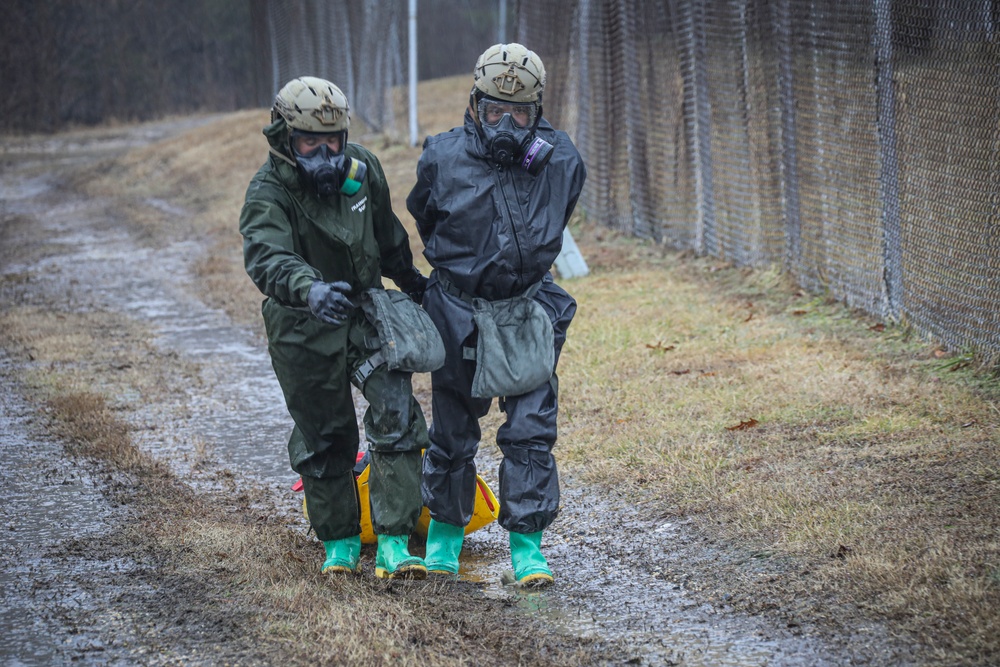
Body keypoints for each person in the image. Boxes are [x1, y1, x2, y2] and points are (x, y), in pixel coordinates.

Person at [406, 44, 587, 587]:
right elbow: (424, 215)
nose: (505, 124)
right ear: (474, 105)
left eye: (520, 114)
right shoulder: (441, 156)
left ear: (538, 112)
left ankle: (527, 547)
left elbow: (560, 215)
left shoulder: (560, 159)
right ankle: (444, 535)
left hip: (526, 308)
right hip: (459, 309)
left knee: (532, 427)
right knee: (454, 427)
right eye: (493, 112)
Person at [240, 76, 431, 579]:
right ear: (284, 140)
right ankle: (340, 540)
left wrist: (412, 281)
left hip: (365, 314)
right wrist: (308, 288)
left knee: (396, 410)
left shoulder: (363, 169)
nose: (325, 155)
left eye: (334, 142)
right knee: (324, 434)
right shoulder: (269, 191)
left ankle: (393, 540)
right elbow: (266, 255)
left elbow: (388, 235)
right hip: (302, 324)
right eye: (310, 143)